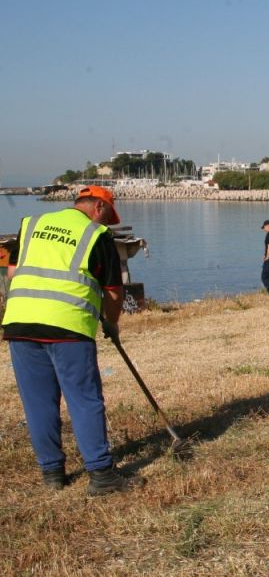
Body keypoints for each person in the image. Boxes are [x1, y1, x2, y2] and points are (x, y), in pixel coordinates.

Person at [2, 186, 143, 494]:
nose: (107, 224)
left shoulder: (32, 223)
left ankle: (52, 474)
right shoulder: (97, 235)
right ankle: (101, 475)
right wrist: (112, 323)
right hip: (67, 327)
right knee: (84, 399)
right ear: (100, 208)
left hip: (20, 323)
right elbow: (114, 292)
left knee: (38, 403)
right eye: (108, 217)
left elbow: (12, 273)